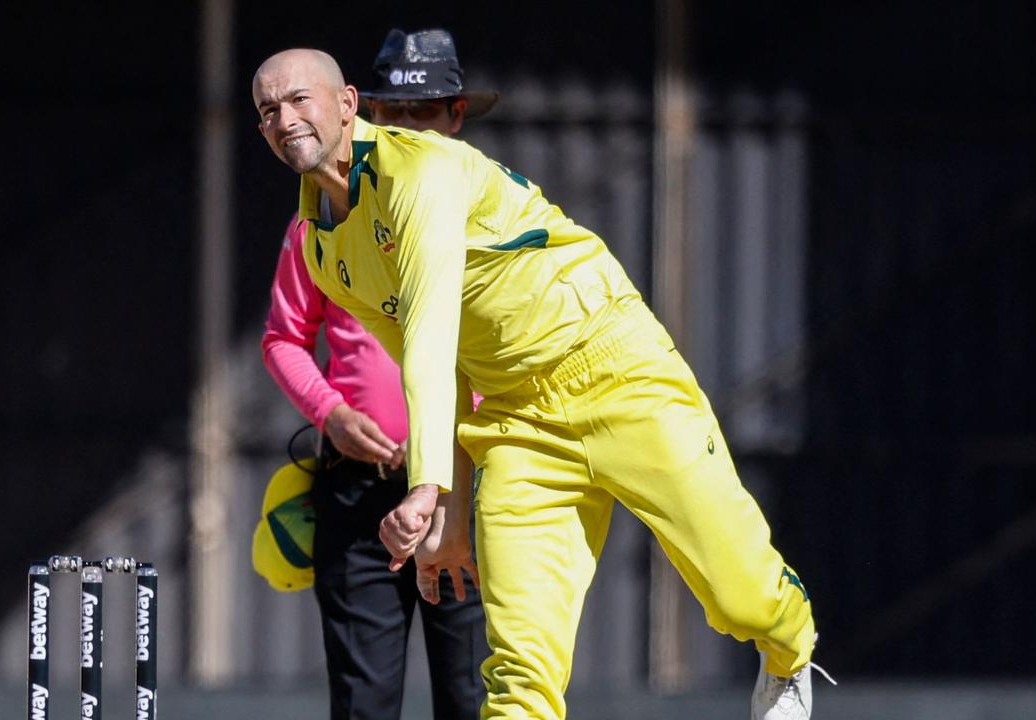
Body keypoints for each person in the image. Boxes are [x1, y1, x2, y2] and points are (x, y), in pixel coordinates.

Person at [252, 47, 830, 720]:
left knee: (739, 597)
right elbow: (447, 362)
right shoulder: (321, 250)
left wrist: (427, 490)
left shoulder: (423, 171)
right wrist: (454, 512)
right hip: (515, 425)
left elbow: (433, 335)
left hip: (615, 371)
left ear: (348, 103)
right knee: (518, 681)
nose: (284, 118)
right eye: (268, 110)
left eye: (299, 99)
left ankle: (790, 651)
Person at [260, 29, 494, 720]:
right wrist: (330, 413)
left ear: (456, 117)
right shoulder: (320, 222)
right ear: (366, 117)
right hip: (361, 495)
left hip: (467, 488)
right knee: (362, 706)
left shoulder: (488, 213)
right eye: (395, 115)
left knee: (474, 699)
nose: (409, 129)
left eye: (427, 113)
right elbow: (283, 339)